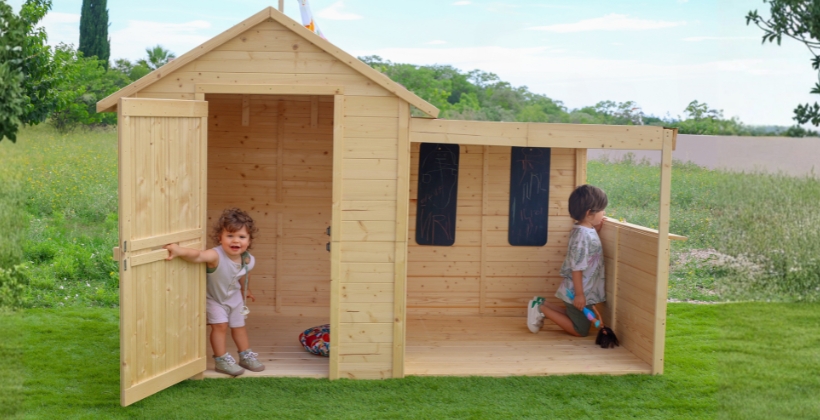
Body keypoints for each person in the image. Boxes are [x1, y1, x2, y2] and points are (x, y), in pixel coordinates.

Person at [164, 208, 265, 376]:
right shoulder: (215, 255)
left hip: (234, 298)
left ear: (249, 240)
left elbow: (243, 274)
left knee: (239, 326)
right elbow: (197, 256)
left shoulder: (248, 259)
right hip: (214, 299)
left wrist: (246, 290)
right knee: (220, 326)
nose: (236, 241)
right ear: (220, 238)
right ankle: (221, 359)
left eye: (242, 237)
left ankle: (245, 355)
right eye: (230, 236)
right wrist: (178, 250)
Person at [527, 184, 607, 337]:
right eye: (602, 210)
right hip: (578, 291)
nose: (604, 213)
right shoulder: (583, 235)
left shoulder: (584, 229)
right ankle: (540, 309)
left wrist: (595, 230)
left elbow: (586, 250)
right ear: (589, 213)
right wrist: (579, 295)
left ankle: (542, 303)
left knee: (576, 317)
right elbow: (577, 267)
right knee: (581, 329)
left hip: (580, 289)